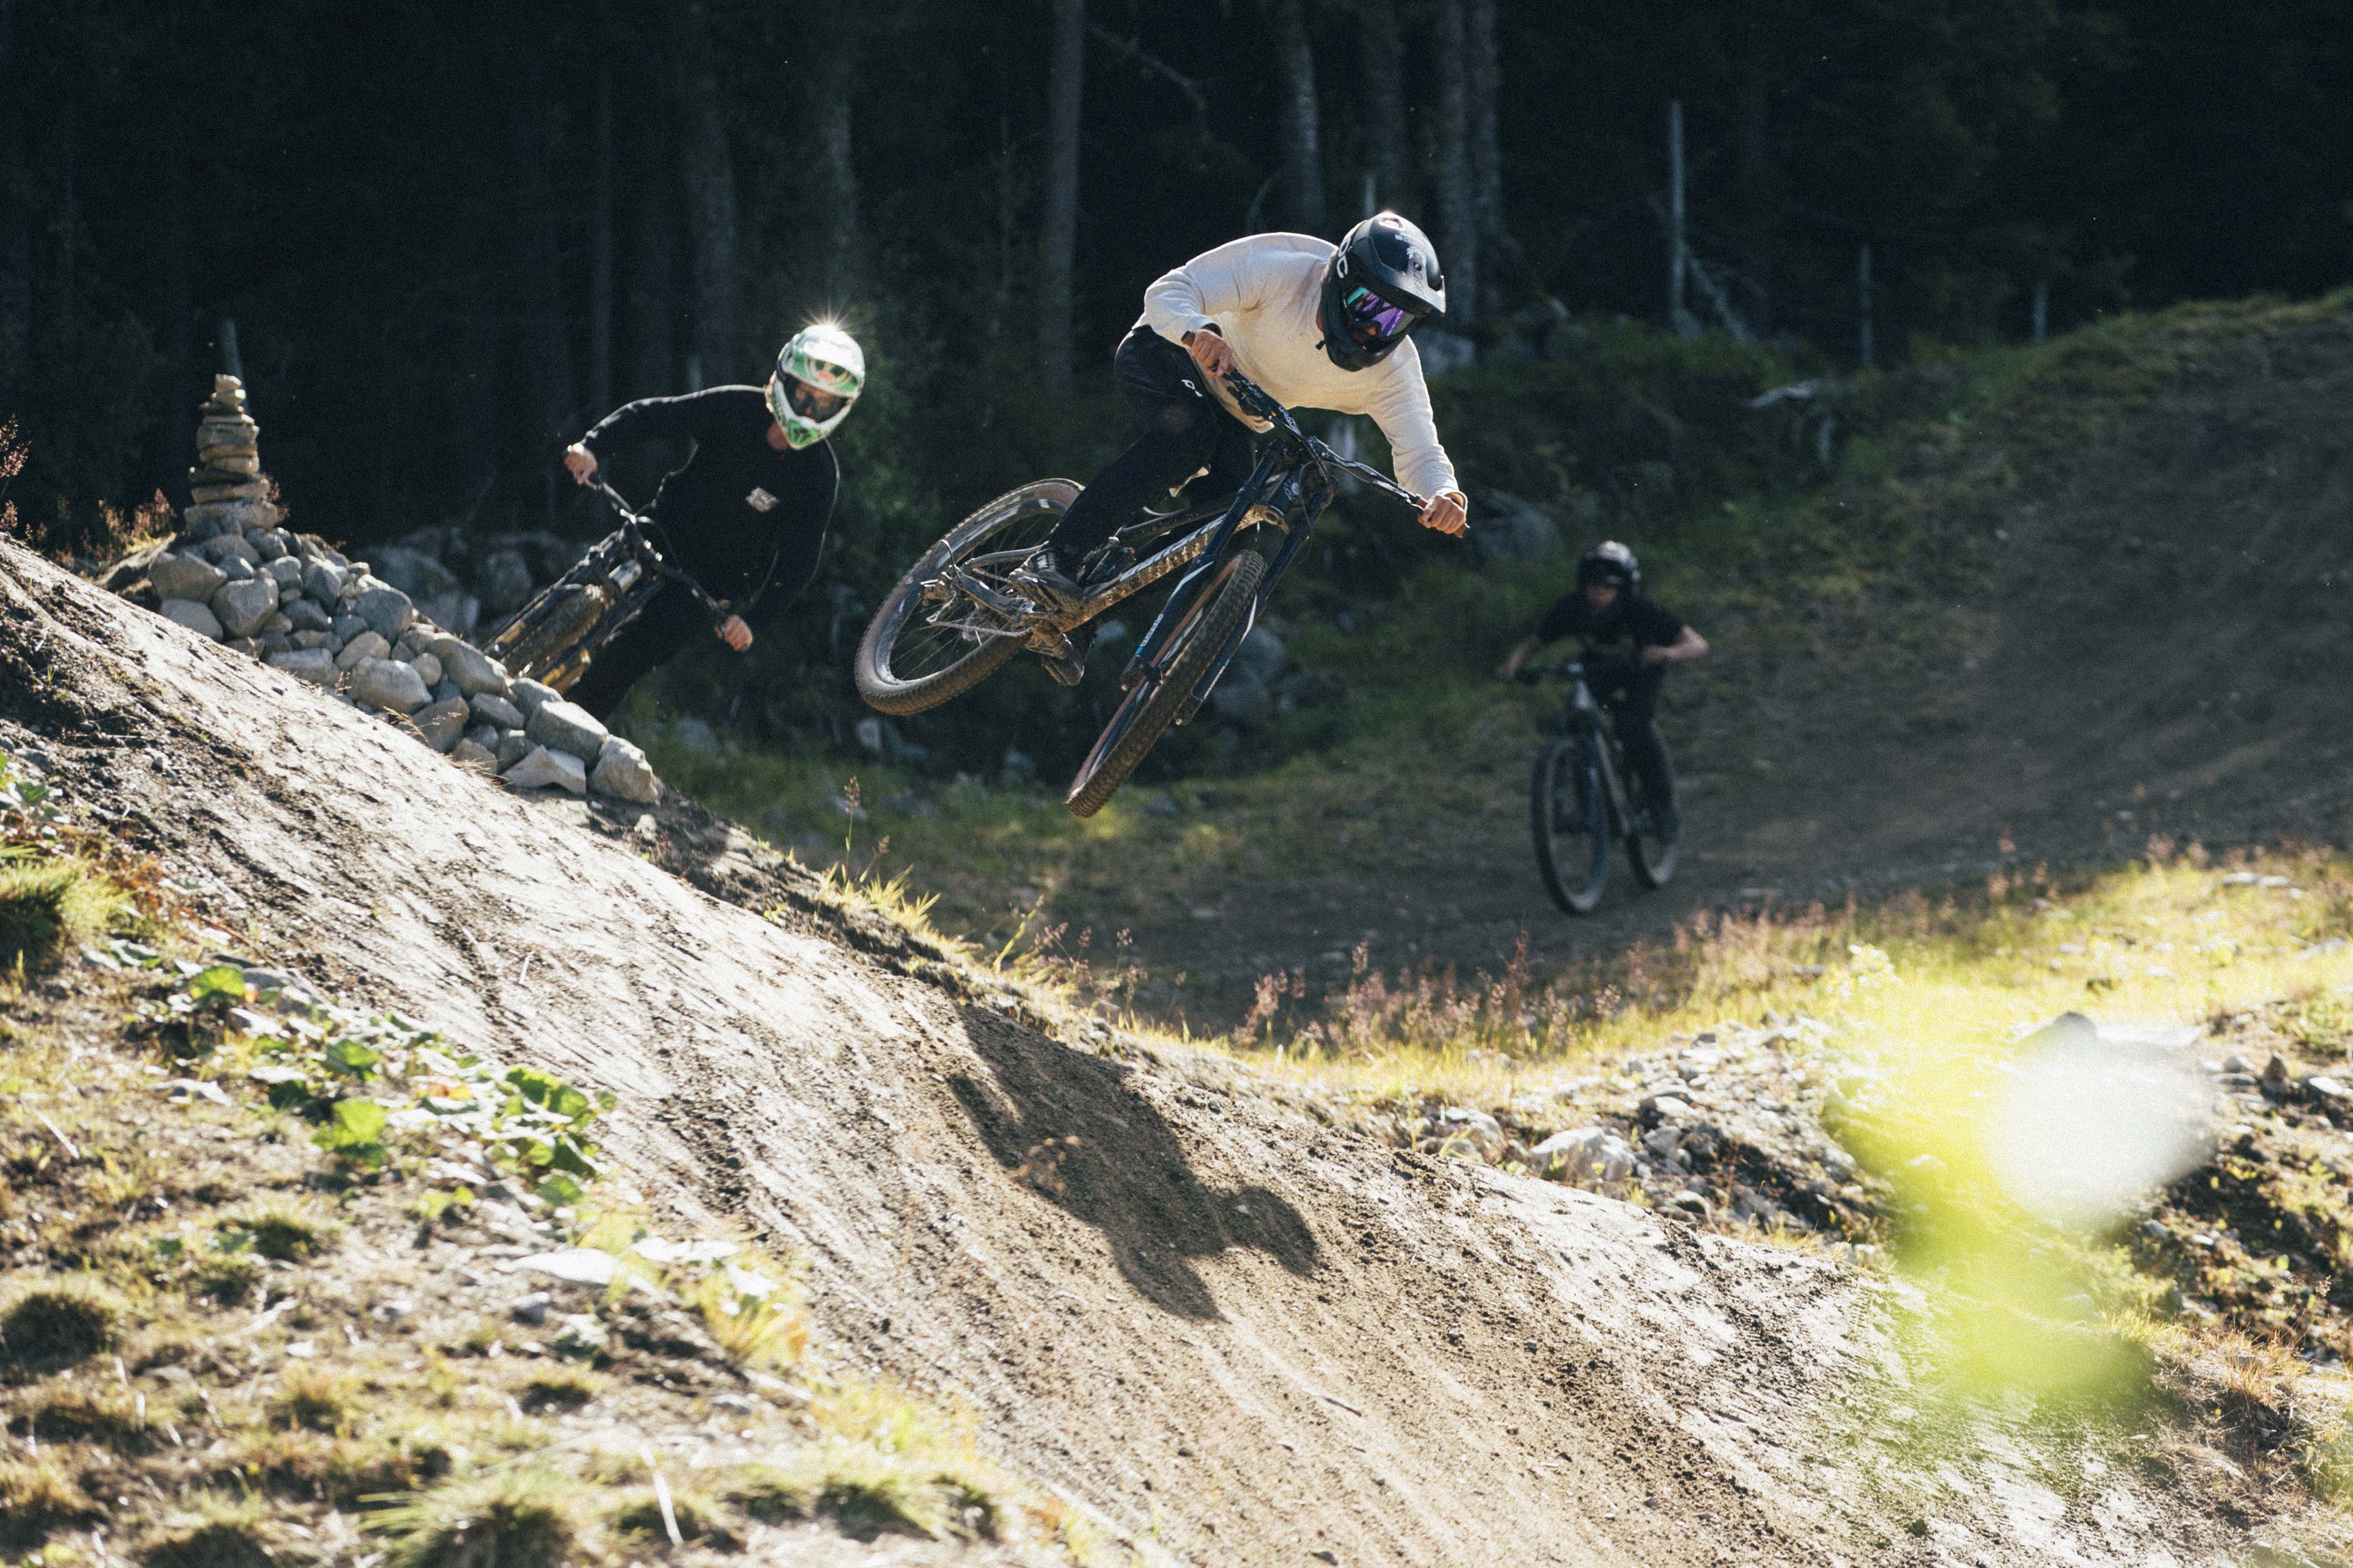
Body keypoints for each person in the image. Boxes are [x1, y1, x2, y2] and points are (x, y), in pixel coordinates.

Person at [1014, 212, 1471, 684]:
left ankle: (1080, 623)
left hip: (1237, 411)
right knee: (1187, 440)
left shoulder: (1393, 371)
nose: (1375, 329)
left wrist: (1443, 495)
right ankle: (1056, 555)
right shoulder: (1283, 269)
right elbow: (1170, 291)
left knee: (1230, 530)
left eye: (1395, 319)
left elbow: (1421, 450)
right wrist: (1198, 332)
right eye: (1368, 305)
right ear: (1340, 277)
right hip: (1169, 350)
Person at [554, 323, 863, 719]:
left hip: (713, 582)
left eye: (823, 404)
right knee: (580, 589)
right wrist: (594, 447)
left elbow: (799, 561)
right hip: (664, 527)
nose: (808, 411)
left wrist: (753, 621)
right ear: (784, 381)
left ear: (840, 410)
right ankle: (511, 652)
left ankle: (563, 726)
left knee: (629, 655)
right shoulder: (737, 407)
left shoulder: (819, 474)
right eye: (804, 394)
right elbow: (656, 417)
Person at [1497, 541, 1708, 839]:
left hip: (1641, 670)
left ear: (1624, 587)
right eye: (1592, 584)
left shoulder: (1642, 609)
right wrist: (1513, 665)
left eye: (1608, 585)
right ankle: (1586, 806)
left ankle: (1661, 807)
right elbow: (1535, 642)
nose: (1598, 592)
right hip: (1598, 670)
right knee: (1576, 724)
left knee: (1633, 727)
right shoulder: (1572, 607)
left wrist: (1666, 653)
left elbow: (1698, 645)